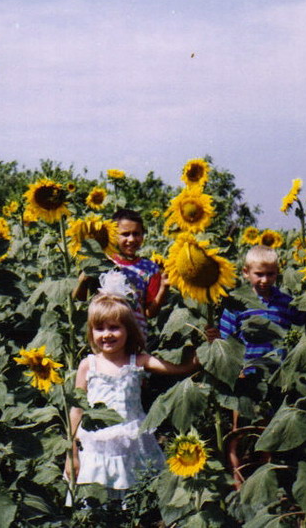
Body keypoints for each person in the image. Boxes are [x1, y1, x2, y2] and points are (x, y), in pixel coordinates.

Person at [65, 293, 200, 502]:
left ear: (128, 330)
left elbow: (178, 368)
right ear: (91, 332)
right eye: (100, 328)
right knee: (96, 498)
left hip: (132, 441)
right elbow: (76, 409)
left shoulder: (138, 361)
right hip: (96, 443)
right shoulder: (88, 364)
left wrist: (205, 348)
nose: (106, 334)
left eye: (114, 327)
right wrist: (71, 452)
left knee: (138, 497)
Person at [205, 244, 306, 488]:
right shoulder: (237, 303)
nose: (265, 280)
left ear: (278, 273)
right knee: (238, 431)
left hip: (276, 376)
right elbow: (226, 338)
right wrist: (214, 339)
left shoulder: (284, 302)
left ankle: (266, 480)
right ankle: (238, 481)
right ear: (246, 273)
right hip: (245, 375)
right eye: (258, 274)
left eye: (270, 274)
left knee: (270, 431)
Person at [75, 208, 169, 339]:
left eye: (136, 234)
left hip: (135, 335)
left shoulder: (150, 268)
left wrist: (164, 287)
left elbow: (150, 312)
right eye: (125, 234)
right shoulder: (102, 262)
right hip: (105, 334)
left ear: (143, 235)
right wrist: (84, 278)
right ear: (113, 235)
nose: (131, 239)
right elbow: (80, 297)